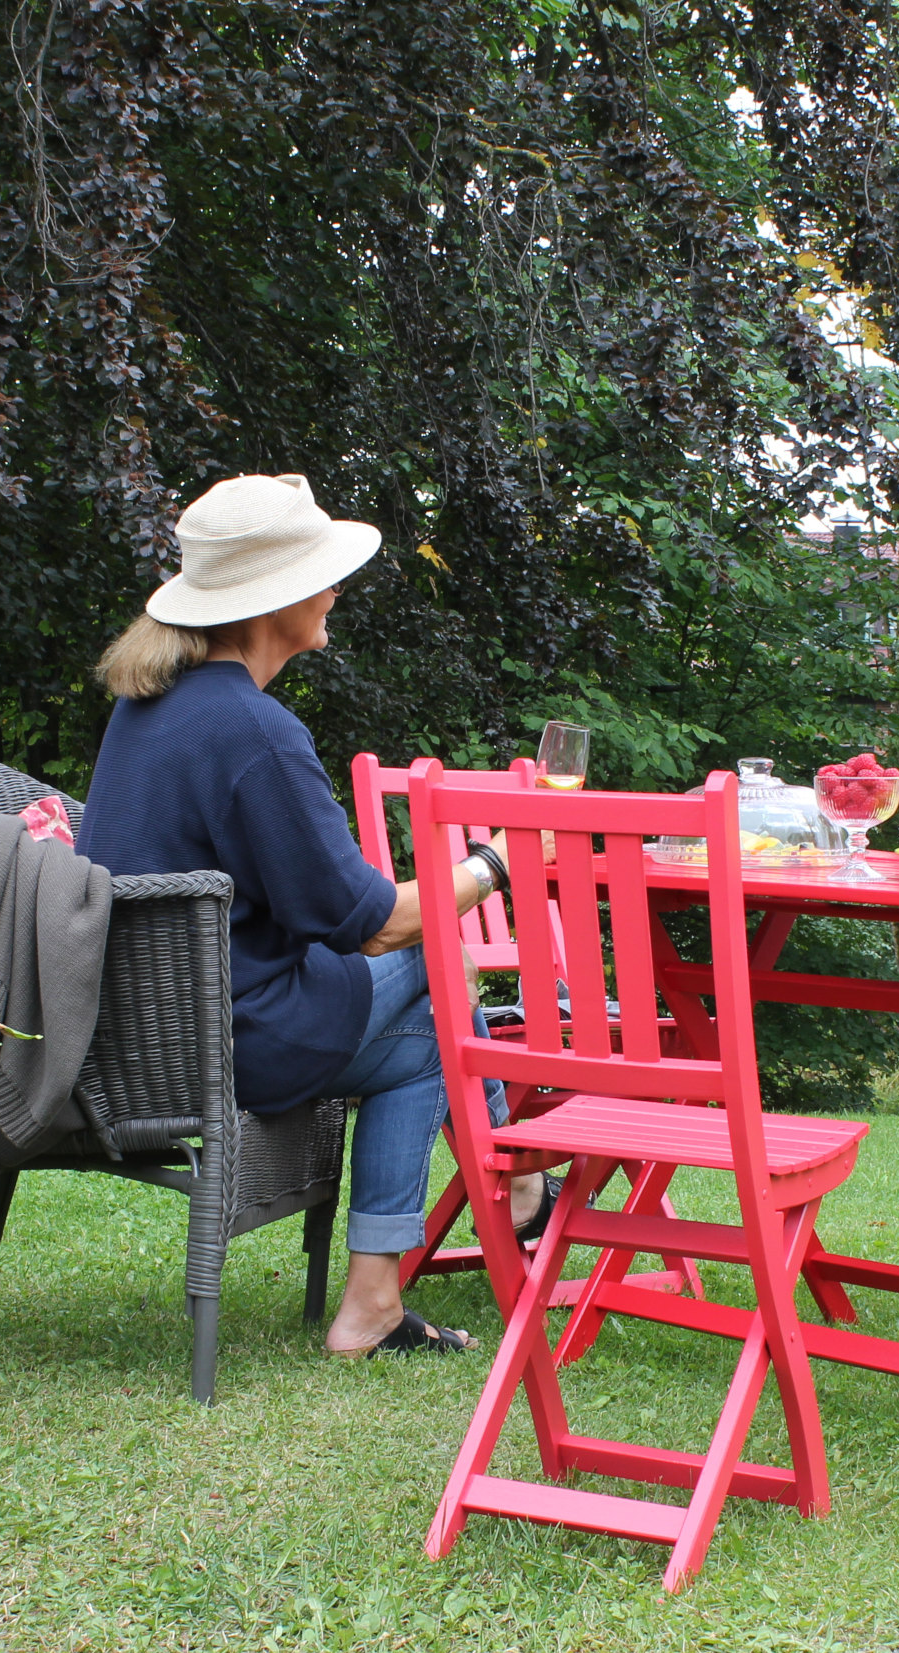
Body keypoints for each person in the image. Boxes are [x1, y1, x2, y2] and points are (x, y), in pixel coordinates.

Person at [75, 474, 549, 1358]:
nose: (336, 591)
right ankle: (502, 1200)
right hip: (233, 1037)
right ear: (276, 600)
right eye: (324, 575)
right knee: (445, 976)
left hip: (138, 1035)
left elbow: (321, 905)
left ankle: (402, 1283)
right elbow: (372, 924)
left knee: (428, 1030)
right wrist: (501, 861)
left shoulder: (145, 712)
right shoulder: (253, 731)